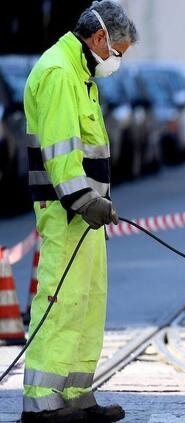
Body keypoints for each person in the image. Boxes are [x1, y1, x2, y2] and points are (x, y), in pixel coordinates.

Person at [22, 2, 137, 422]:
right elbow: (60, 150)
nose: (117, 60)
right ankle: (42, 403)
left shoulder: (79, 73)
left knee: (87, 301)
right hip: (67, 209)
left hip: (85, 213)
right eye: (118, 51)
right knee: (61, 298)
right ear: (100, 38)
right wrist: (84, 199)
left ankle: (75, 394)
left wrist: (96, 201)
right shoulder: (58, 72)